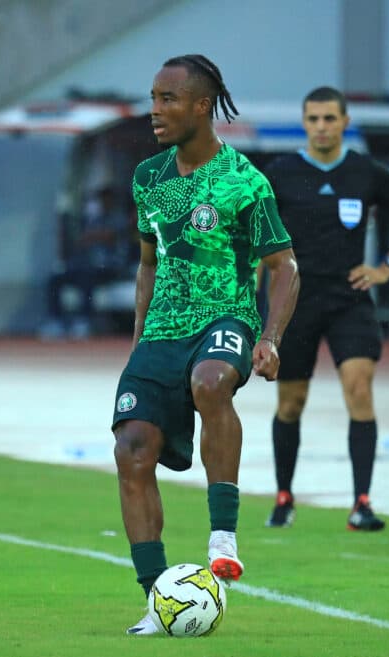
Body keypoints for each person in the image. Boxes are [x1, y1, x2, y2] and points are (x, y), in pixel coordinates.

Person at [112, 54, 299, 635]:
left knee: (212, 382)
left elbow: (284, 267)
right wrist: (140, 338)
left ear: (201, 105)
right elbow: (147, 263)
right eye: (152, 98)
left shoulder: (245, 181)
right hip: (163, 330)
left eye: (168, 99)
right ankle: (158, 599)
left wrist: (269, 338)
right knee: (131, 449)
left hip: (227, 318)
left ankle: (223, 534)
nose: (155, 111)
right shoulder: (148, 178)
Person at [262, 86, 389, 532]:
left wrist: (387, 266)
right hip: (296, 301)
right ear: (304, 121)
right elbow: (253, 235)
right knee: (291, 402)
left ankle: (362, 503)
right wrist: (257, 294)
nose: (322, 127)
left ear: (345, 122)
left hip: (349, 298)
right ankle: (284, 497)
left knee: (359, 387)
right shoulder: (280, 173)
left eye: (330, 118)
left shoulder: (366, 172)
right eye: (313, 119)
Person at [45, 185, 135, 338]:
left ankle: (83, 320)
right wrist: (90, 237)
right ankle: (56, 321)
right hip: (91, 265)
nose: (104, 202)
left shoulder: (119, 219)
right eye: (101, 198)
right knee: (55, 280)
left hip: (112, 268)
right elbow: (82, 240)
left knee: (86, 277)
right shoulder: (95, 219)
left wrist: (93, 237)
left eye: (107, 198)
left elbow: (109, 236)